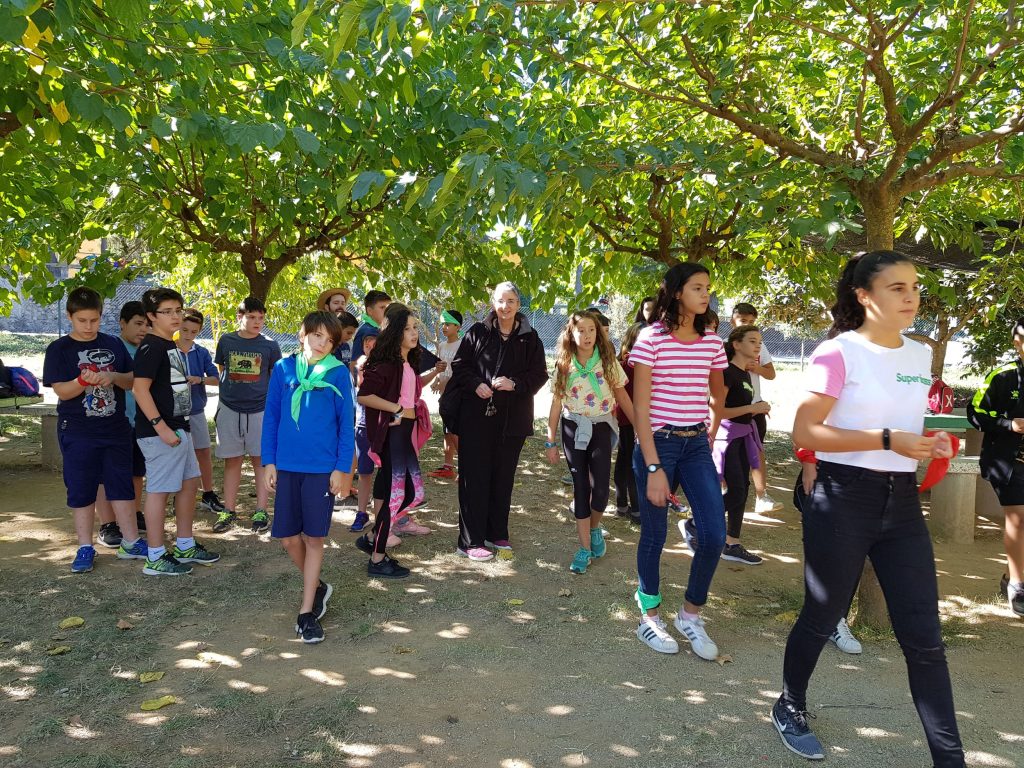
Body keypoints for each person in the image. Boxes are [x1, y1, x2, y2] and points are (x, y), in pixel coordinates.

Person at [773, 251, 964, 766]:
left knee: (925, 638)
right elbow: (805, 431)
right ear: (863, 295)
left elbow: (908, 426)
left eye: (915, 287)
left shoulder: (919, 355)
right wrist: (886, 439)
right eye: (897, 288)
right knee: (822, 615)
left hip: (901, 503)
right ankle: (789, 704)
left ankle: (950, 760)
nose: (911, 297)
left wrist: (930, 443)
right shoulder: (838, 352)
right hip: (842, 497)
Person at [629, 262, 727, 660]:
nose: (706, 294)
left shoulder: (712, 341)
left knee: (714, 535)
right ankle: (649, 617)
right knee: (654, 534)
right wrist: (654, 468)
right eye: (697, 287)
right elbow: (640, 407)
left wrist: (710, 432)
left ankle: (690, 614)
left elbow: (718, 395)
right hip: (659, 444)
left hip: (696, 445)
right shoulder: (651, 338)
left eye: (708, 288)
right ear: (675, 292)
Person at [263, 311, 355, 642]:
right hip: (287, 466)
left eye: (329, 340)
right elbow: (272, 417)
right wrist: (269, 461)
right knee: (289, 538)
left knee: (314, 539)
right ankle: (316, 585)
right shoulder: (282, 369)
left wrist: (341, 468)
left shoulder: (338, 373)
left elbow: (346, 425)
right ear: (302, 334)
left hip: (321, 470)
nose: (322, 344)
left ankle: (306, 612)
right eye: (316, 335)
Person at [42, 287, 146, 573]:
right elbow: (62, 391)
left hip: (115, 427)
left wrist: (112, 375)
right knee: (82, 487)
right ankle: (85, 547)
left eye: (94, 320)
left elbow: (131, 381)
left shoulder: (113, 344)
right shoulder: (59, 349)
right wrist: (83, 381)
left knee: (121, 484)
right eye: (82, 321)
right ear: (70, 316)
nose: (88, 327)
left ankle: (131, 542)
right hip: (78, 430)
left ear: (101, 315)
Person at [449, 282, 548, 561]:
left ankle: (496, 532)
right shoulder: (478, 332)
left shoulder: (530, 337)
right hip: (476, 419)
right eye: (501, 301)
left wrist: (515, 384)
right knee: (474, 478)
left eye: (511, 301)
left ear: (519, 304)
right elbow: (460, 366)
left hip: (513, 421)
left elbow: (539, 374)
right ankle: (470, 541)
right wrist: (476, 384)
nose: (505, 307)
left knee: (503, 478)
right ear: (493, 303)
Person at [133, 288, 221, 576]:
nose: (175, 316)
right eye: (167, 312)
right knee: (159, 491)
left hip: (180, 428)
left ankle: (184, 545)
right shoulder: (151, 347)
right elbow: (139, 390)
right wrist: (160, 426)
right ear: (151, 316)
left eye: (178, 310)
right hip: (161, 433)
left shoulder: (168, 344)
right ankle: (155, 556)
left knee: (190, 483)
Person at [545, 310, 633, 573]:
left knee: (601, 490)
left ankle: (594, 528)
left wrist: (641, 428)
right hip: (573, 428)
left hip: (601, 427)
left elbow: (623, 397)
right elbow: (556, 404)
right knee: (581, 487)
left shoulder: (608, 362)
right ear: (570, 334)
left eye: (591, 330)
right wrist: (550, 441)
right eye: (580, 330)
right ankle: (584, 549)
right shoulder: (564, 364)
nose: (587, 335)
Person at [354, 306, 426, 579]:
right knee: (397, 496)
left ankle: (373, 537)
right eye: (407, 329)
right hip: (393, 435)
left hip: (405, 433)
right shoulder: (387, 363)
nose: (413, 333)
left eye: (415, 327)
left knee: (412, 493)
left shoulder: (408, 361)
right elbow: (364, 395)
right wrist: (395, 409)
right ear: (395, 332)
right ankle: (378, 558)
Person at [967, 317, 1024, 617]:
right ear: (1017, 342)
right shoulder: (1002, 376)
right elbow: (975, 412)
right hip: (1009, 461)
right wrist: (1008, 424)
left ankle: (1009, 575)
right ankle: (1018, 586)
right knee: (1019, 518)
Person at [212, 297, 282, 533]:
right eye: (251, 317)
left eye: (261, 317)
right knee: (232, 461)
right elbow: (223, 370)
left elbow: (274, 376)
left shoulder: (270, 345)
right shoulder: (226, 340)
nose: (257, 322)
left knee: (260, 460)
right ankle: (228, 510)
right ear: (239, 317)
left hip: (260, 410)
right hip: (229, 408)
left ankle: (261, 510)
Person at [706, 325, 770, 565]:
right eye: (752, 341)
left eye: (760, 342)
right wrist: (752, 408)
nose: (758, 346)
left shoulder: (745, 373)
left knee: (742, 489)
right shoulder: (727, 372)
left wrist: (757, 410)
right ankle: (696, 523)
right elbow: (718, 411)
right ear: (736, 345)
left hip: (743, 436)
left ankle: (732, 543)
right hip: (728, 438)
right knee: (736, 491)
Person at [793, 447, 863, 654]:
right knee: (823, 548)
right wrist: (808, 460)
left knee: (855, 549)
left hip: (867, 478)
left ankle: (837, 619)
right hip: (826, 471)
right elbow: (806, 431)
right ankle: (818, 618)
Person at [95, 301, 150, 547]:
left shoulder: (148, 349)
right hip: (114, 422)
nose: (143, 329)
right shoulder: (112, 349)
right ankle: (108, 524)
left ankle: (134, 513)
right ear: (122, 323)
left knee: (137, 471)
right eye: (138, 324)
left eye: (147, 325)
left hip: (142, 422)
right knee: (107, 475)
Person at [731, 302, 780, 514]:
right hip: (732, 410)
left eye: (751, 321)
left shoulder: (760, 346)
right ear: (732, 320)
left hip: (756, 407)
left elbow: (771, 373)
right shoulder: (725, 346)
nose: (747, 324)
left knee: (757, 451)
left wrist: (757, 368)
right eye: (743, 320)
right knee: (730, 456)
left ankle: (762, 495)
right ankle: (727, 495)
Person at [350, 290, 392, 528]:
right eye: (382, 307)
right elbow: (357, 372)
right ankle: (362, 512)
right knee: (366, 470)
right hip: (366, 419)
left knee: (386, 470)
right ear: (369, 310)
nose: (386, 312)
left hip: (384, 418)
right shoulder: (367, 332)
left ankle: (388, 514)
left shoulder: (384, 333)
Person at [177, 308, 225, 514]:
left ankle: (208, 493)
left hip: (196, 410)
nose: (188, 335)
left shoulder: (201, 352)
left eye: (194, 332)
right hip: (174, 413)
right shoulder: (168, 350)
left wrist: (200, 379)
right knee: (178, 454)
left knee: (203, 451)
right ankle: (178, 496)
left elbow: (217, 378)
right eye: (185, 330)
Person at [428, 309, 464, 480]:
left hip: (456, 396)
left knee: (455, 431)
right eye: (443, 324)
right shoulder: (442, 346)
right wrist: (436, 380)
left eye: (448, 324)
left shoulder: (462, 345)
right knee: (447, 432)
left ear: (458, 327)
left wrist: (445, 383)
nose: (444, 327)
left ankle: (466, 467)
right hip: (444, 396)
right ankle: (448, 467)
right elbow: (442, 368)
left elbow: (460, 372)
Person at [614, 322, 644, 524]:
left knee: (625, 460)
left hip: (632, 418)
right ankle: (635, 509)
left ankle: (623, 505)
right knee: (633, 462)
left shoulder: (629, 362)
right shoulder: (630, 363)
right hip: (631, 419)